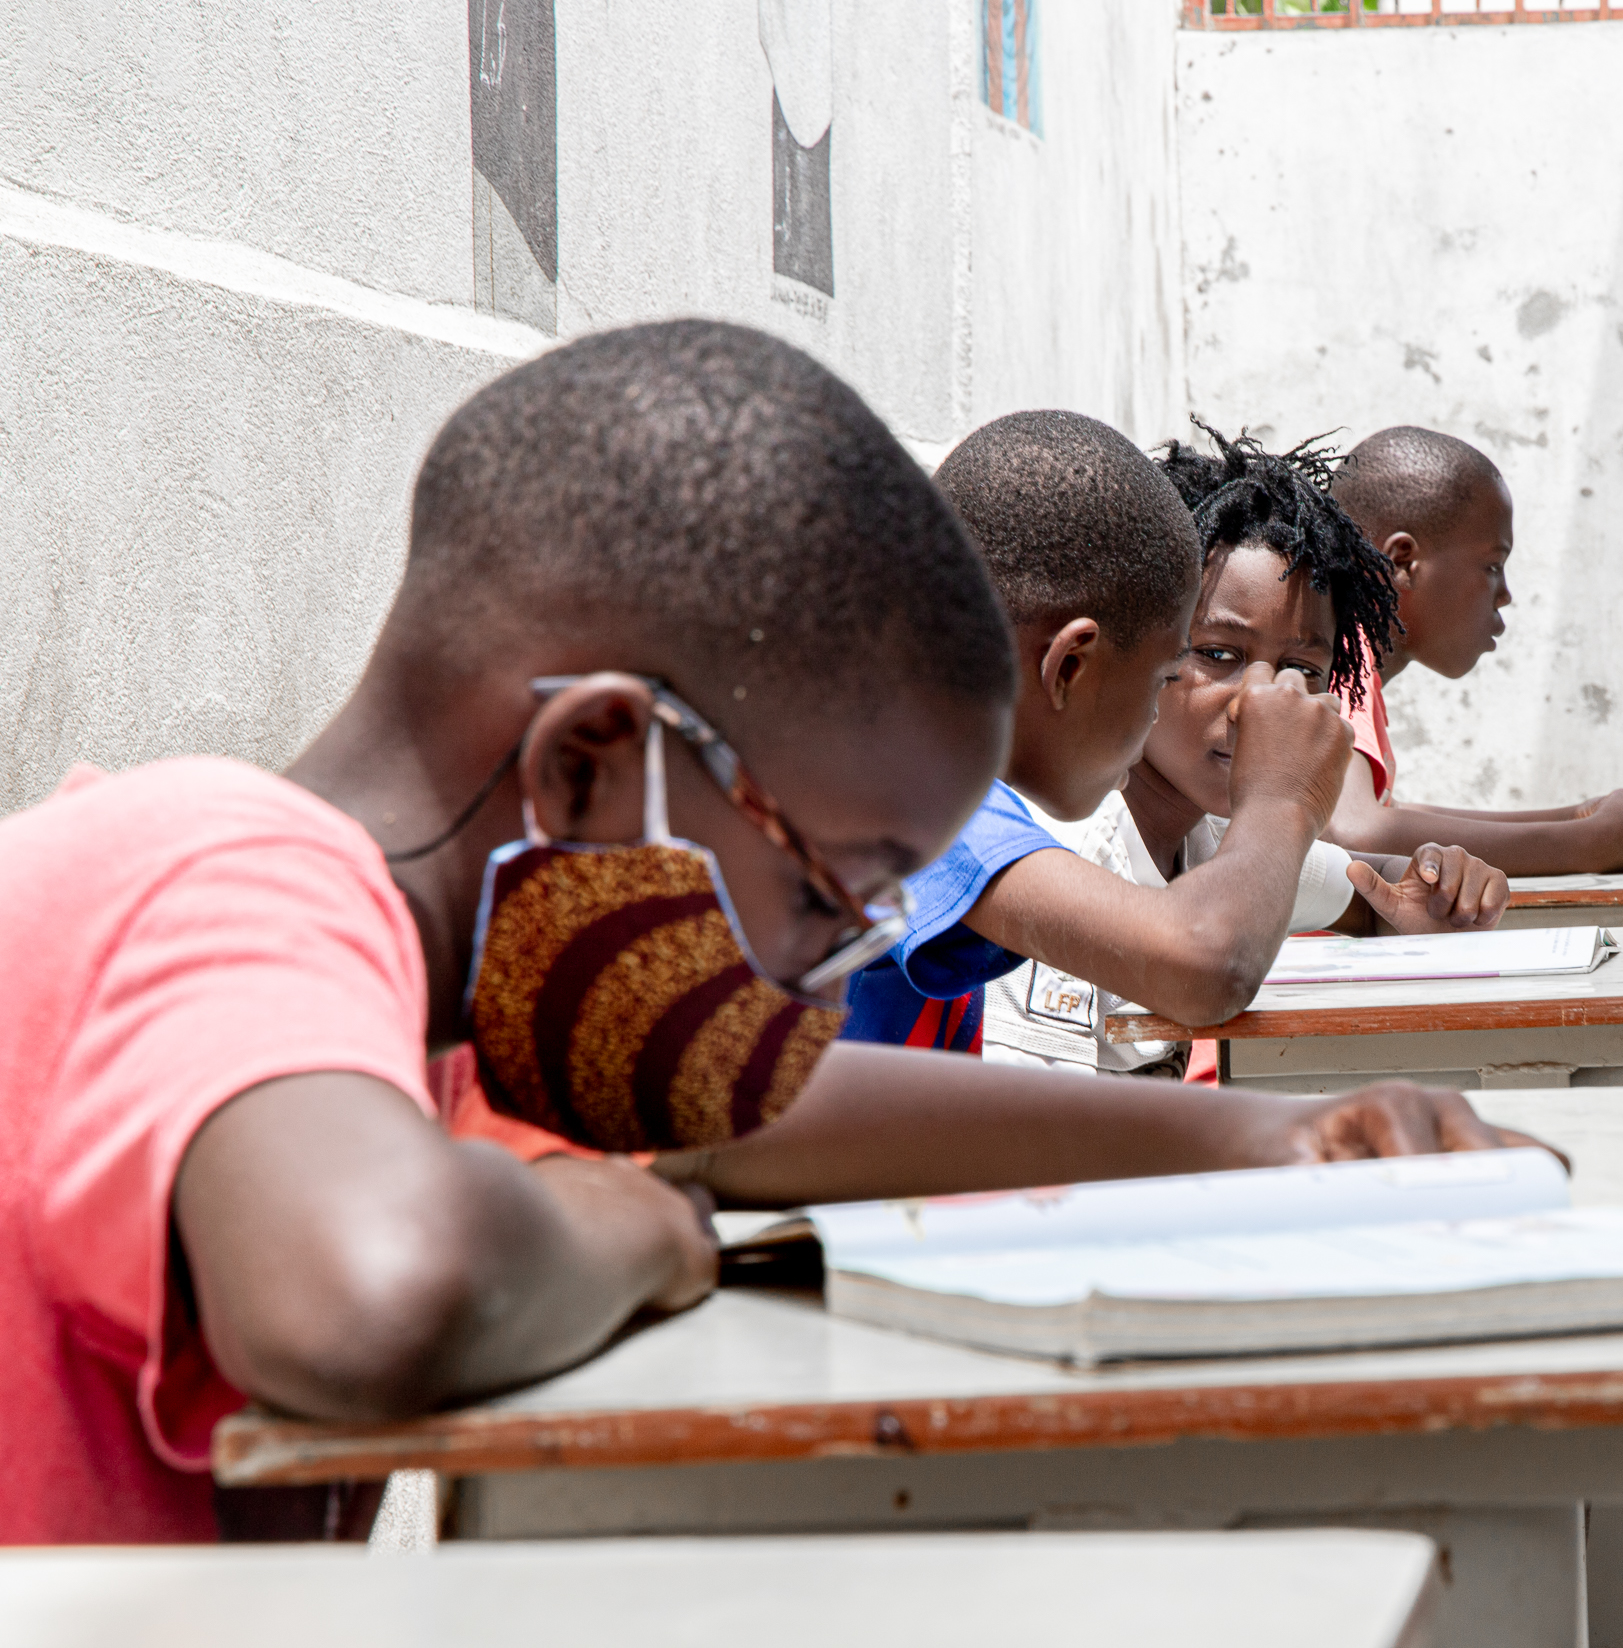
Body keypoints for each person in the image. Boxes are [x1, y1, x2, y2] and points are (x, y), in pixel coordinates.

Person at [1, 325, 1529, 1547]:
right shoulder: (222, 872)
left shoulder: (460, 983)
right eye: (819, 886)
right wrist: (640, 1228)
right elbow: (373, 1291)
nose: (820, 965)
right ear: (594, 767)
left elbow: (774, 1104)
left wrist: (1272, 1142)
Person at [847, 410, 1507, 1079]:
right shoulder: (945, 815)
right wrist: (1281, 799)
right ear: (1080, 663)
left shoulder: (1202, 839)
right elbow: (1206, 963)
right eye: (1207, 656)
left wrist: (1427, 887)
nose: (1262, 700)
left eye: (1302, 672)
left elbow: (1363, 892)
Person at [1322, 424, 1623, 873]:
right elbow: (1358, 830)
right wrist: (1598, 843)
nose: (1505, 593)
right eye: (1492, 565)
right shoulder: (1341, 664)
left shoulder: (1352, 658)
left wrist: (1572, 818)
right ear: (1402, 563)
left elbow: (1389, 815)